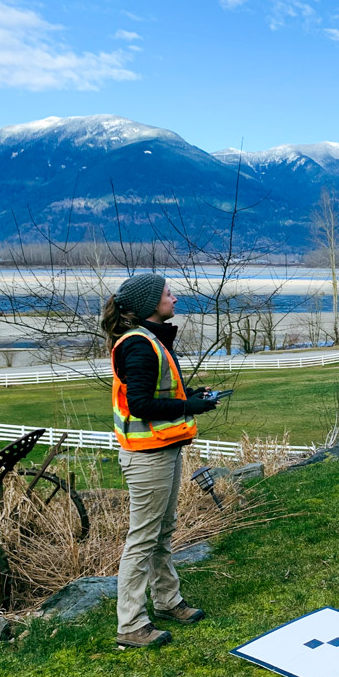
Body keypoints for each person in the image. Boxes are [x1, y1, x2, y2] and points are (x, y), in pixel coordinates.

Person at [101, 273, 217, 648]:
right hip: (146, 456)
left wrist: (192, 395)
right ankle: (131, 624)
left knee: (163, 531)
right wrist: (189, 406)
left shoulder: (152, 340)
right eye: (168, 293)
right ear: (151, 303)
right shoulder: (138, 345)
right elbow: (141, 405)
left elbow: (156, 392)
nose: (175, 298)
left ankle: (168, 601)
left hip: (162, 449)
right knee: (143, 538)